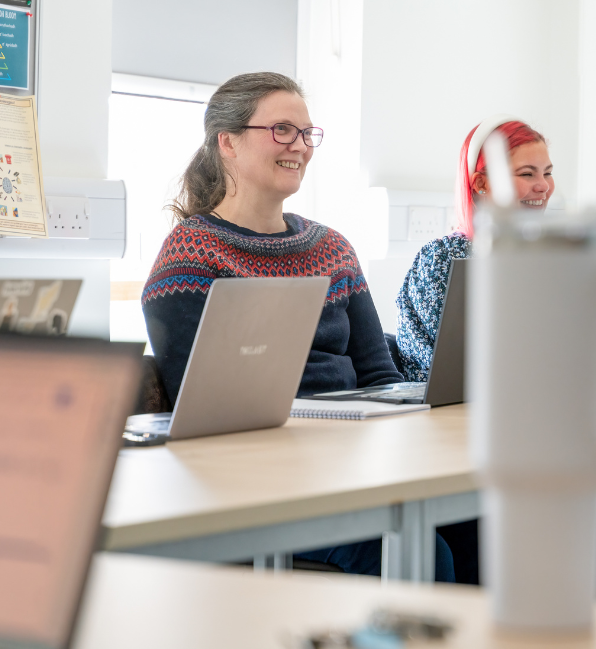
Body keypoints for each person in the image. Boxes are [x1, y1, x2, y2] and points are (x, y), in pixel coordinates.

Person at [141, 71, 453, 580]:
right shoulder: (190, 255)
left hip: (352, 464)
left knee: (484, 523)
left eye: (307, 133)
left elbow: (378, 376)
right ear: (228, 143)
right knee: (428, 557)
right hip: (261, 482)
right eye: (283, 130)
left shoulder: (332, 248)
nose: (301, 147)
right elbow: (210, 407)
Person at [395, 116, 596, 597]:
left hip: (560, 416)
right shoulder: (443, 259)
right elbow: (434, 370)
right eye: (527, 174)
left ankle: (588, 605)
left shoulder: (560, 255)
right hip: (476, 433)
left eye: (547, 172)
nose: (543, 186)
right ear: (482, 182)